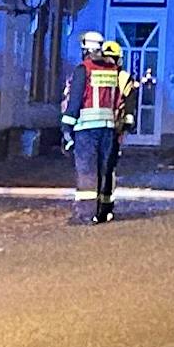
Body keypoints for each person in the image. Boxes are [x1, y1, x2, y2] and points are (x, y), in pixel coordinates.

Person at [60, 30, 122, 225]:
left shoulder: (83, 69)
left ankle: (86, 214)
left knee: (87, 171)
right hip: (108, 128)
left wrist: (66, 126)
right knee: (104, 169)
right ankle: (103, 212)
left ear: (86, 49)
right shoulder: (112, 70)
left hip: (86, 129)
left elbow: (76, 99)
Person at [97, 38, 140, 222]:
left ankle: (99, 206)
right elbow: (129, 101)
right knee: (108, 167)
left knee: (98, 167)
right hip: (111, 127)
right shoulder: (122, 76)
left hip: (96, 127)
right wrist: (128, 122)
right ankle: (105, 206)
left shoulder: (95, 73)